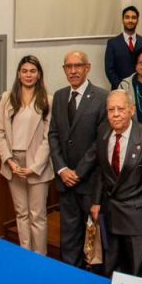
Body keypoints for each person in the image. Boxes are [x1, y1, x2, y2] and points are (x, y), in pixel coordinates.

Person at [88, 90, 142, 278]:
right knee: (112, 269)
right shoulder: (103, 132)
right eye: (111, 110)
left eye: (121, 109)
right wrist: (96, 202)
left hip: (139, 215)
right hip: (110, 212)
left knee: (139, 271)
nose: (116, 114)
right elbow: (101, 170)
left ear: (132, 110)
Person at [48, 51, 109, 267]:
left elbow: (100, 141)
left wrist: (79, 172)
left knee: (94, 238)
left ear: (87, 68)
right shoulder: (59, 96)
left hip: (89, 182)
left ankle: (92, 280)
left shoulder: (102, 97)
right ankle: (69, 277)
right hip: (65, 183)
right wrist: (62, 169)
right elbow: (53, 134)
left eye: (78, 66)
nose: (73, 71)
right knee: (69, 237)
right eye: (68, 67)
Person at [0, 55, 52, 255]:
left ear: (39, 74)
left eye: (33, 71)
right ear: (19, 74)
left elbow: (49, 137)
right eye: (25, 71)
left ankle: (40, 258)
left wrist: (34, 167)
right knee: (21, 213)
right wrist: (9, 161)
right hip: (14, 164)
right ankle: (25, 255)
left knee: (37, 215)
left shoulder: (48, 100)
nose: (28, 75)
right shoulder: (7, 98)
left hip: (37, 164)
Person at [105, 6, 142, 88]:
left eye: (133, 18)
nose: (130, 20)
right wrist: (121, 86)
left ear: (137, 21)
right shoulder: (112, 43)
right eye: (127, 17)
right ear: (123, 20)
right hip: (119, 89)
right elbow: (109, 70)